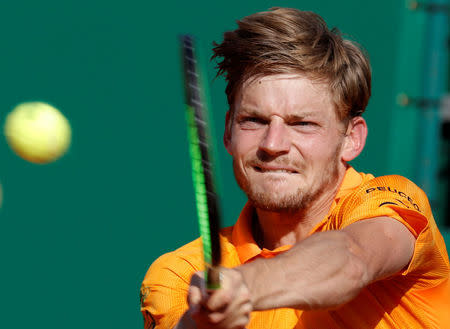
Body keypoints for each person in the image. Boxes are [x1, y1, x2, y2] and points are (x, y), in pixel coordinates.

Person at [140, 7, 450, 329]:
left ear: (351, 139)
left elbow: (352, 259)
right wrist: (202, 320)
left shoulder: (391, 201)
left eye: (302, 124)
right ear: (229, 130)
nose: (273, 144)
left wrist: (243, 288)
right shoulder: (177, 274)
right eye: (255, 121)